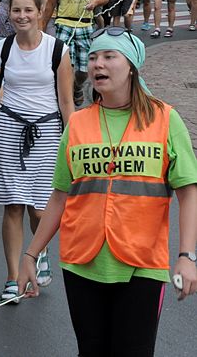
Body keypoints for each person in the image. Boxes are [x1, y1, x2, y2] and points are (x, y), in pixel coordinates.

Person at [17, 27, 197, 357]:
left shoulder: (165, 120)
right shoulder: (78, 124)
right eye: (95, 56)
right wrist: (31, 255)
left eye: (109, 56)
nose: (98, 63)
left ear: (131, 66)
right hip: (81, 262)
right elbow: (59, 196)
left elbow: (188, 192)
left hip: (142, 263)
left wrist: (187, 257)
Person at [0, 0, 74, 302]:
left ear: (40, 11)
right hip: (8, 131)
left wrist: (73, 144)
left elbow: (67, 103)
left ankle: (38, 252)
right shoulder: (0, 50)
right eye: (15, 10)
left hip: (47, 135)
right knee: (14, 205)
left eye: (28, 10)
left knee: (39, 207)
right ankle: (12, 277)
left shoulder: (57, 50)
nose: (21, 16)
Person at [42, 0, 109, 107]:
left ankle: (78, 87)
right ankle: (66, 100)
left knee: (84, 69)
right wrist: (41, 28)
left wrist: (95, 3)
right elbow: (50, 4)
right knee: (66, 66)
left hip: (85, 24)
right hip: (64, 24)